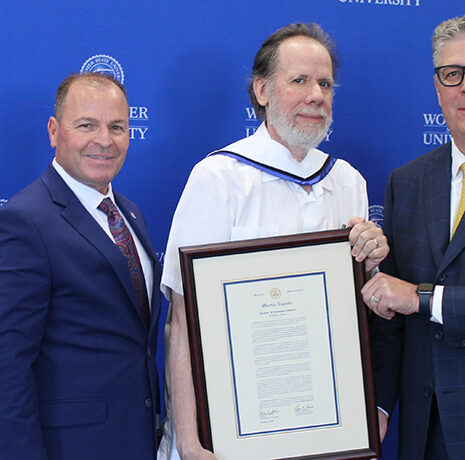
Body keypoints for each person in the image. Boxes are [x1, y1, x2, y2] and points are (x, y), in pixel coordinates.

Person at [158, 22, 388, 460]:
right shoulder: (218, 178)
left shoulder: (348, 182)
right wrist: (189, 441)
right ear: (262, 91)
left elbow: (361, 320)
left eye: (325, 83)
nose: (316, 95)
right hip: (231, 431)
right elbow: (184, 321)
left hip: (324, 429)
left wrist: (374, 264)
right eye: (299, 81)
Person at [0, 73, 162, 460]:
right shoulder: (25, 220)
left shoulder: (130, 214)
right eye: (86, 125)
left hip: (138, 439)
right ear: (54, 131)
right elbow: (7, 365)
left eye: (117, 127)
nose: (104, 140)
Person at [361, 15, 465, 460]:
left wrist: (423, 298)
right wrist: (377, 407)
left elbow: (409, 298)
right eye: (453, 73)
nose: (464, 86)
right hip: (422, 433)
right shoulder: (406, 182)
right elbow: (390, 318)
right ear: (438, 87)